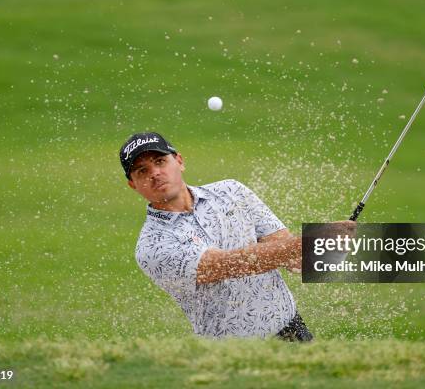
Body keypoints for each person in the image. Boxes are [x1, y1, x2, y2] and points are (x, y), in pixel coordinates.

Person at [120, 132, 353, 341]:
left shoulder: (232, 191)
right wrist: (305, 242)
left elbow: (291, 256)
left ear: (179, 161)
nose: (155, 173)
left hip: (293, 330)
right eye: (142, 171)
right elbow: (230, 265)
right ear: (133, 185)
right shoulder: (152, 246)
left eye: (160, 161)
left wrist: (325, 248)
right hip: (231, 351)